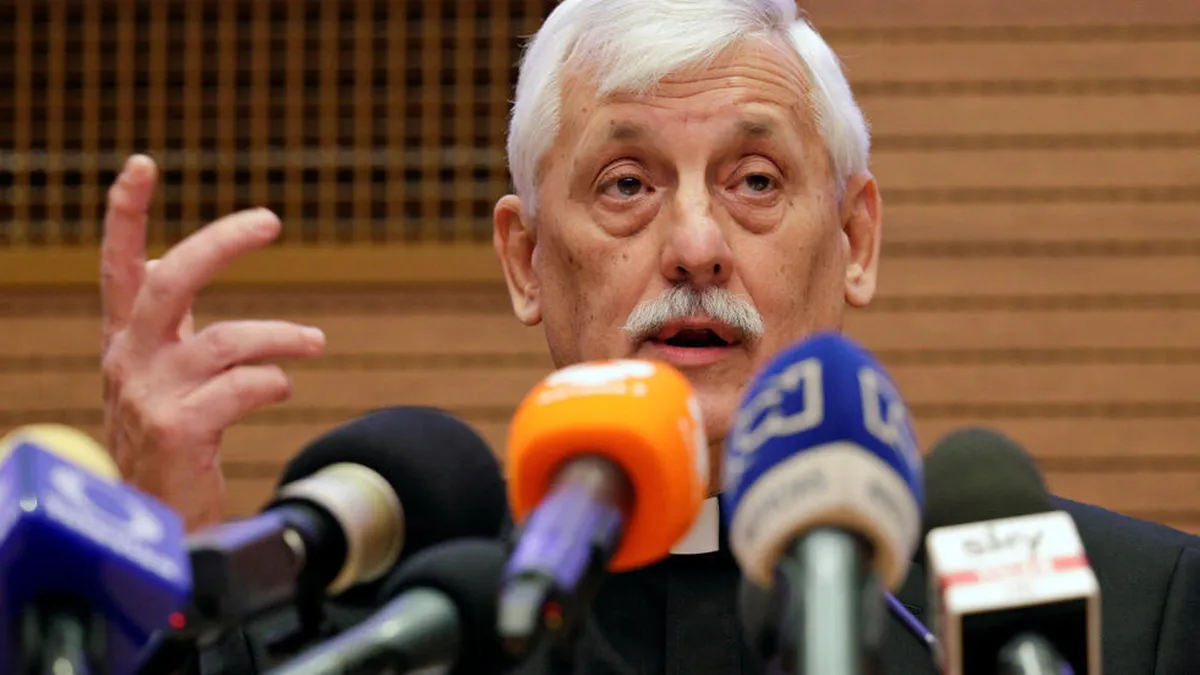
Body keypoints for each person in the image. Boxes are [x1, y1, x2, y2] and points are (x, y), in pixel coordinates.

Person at [100, 1, 1199, 673]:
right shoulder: (377, 630)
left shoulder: (1131, 616)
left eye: (755, 181)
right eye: (626, 184)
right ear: (526, 260)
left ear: (855, 241)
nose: (697, 247)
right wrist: (155, 552)